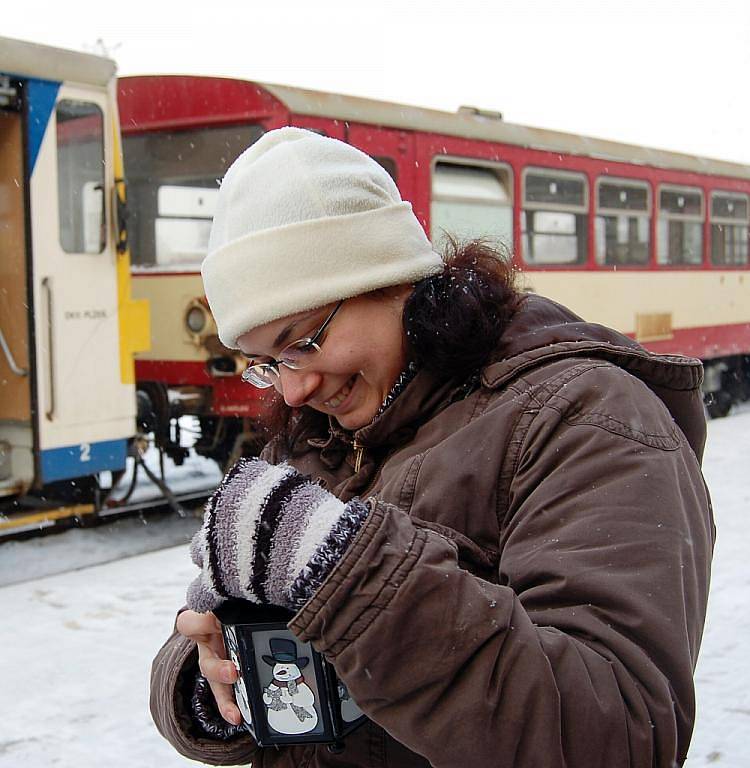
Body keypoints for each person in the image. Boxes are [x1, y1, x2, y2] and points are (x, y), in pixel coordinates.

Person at [150, 127, 714, 768]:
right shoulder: (322, 434)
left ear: (390, 278)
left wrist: (346, 571)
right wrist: (222, 681)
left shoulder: (587, 419)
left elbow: (617, 737)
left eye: (302, 340)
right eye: (265, 362)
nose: (294, 388)